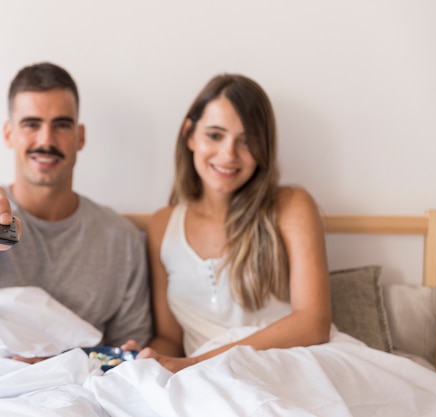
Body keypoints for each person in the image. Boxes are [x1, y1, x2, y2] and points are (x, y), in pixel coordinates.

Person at [0, 62, 152, 354]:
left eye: (61, 125)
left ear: (80, 136)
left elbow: (129, 351)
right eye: (31, 125)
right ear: (9, 134)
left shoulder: (120, 238)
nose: (46, 140)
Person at [130, 73, 331, 373]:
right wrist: (144, 358)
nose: (228, 154)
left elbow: (313, 324)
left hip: (288, 368)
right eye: (215, 135)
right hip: (201, 378)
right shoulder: (162, 225)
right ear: (190, 135)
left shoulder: (291, 205)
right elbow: (170, 338)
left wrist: (196, 363)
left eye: (247, 141)